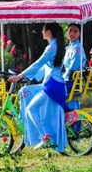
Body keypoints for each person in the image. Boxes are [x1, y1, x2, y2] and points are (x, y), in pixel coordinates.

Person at [8, 23, 68, 151]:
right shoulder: (57, 45)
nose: (41, 32)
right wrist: (29, 77)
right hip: (54, 83)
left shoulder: (51, 47)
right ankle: (43, 137)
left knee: (30, 109)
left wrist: (19, 76)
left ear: (48, 32)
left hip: (52, 85)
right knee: (26, 91)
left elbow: (37, 63)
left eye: (43, 30)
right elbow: (43, 67)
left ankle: (45, 138)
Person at [63, 23, 87, 110]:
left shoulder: (77, 49)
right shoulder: (69, 48)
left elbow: (72, 68)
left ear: (79, 34)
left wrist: (61, 78)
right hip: (70, 80)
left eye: (75, 31)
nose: (72, 33)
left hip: (72, 82)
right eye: (70, 30)